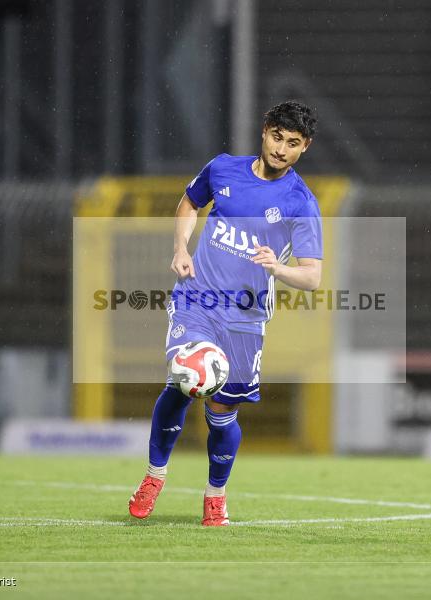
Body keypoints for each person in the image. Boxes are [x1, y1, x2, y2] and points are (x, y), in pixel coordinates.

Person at [128, 100, 323, 526]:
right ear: (265, 130)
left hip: (245, 317)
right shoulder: (222, 168)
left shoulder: (300, 202)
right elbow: (188, 203)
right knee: (184, 377)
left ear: (303, 147)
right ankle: (154, 476)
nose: (281, 149)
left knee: (221, 412)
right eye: (276, 137)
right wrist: (181, 247)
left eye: (292, 144)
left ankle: (215, 494)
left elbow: (312, 278)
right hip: (198, 298)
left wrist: (278, 268)